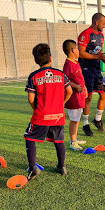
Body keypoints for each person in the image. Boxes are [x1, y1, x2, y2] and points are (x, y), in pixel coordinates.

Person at [24, 43, 72, 180]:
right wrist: (61, 104)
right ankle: (61, 166)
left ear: (36, 60)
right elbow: (69, 91)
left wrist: (36, 109)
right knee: (59, 140)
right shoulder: (60, 74)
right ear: (50, 58)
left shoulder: (33, 76)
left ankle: (32, 167)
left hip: (41, 115)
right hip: (58, 115)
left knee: (29, 137)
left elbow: (30, 98)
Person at [78, 12, 105, 137]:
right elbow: (81, 53)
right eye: (103, 23)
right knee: (88, 97)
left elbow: (100, 51)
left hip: (96, 68)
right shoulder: (85, 35)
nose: (104, 26)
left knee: (103, 94)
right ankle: (85, 124)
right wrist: (97, 56)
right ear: (97, 22)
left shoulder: (101, 35)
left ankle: (97, 120)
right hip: (85, 69)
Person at [62, 39, 88, 151]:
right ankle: (72, 142)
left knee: (77, 118)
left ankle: (75, 138)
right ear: (73, 50)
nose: (79, 50)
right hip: (74, 97)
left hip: (80, 96)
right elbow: (65, 79)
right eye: (77, 48)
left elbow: (80, 77)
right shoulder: (67, 64)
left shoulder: (76, 62)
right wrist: (76, 86)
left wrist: (84, 87)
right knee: (74, 119)